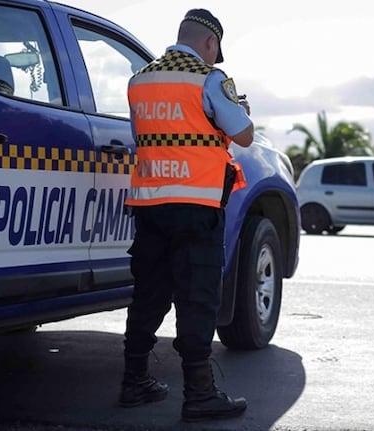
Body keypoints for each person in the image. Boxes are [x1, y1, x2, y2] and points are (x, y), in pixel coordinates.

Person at [120, 8, 254, 422]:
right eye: (215, 51)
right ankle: (199, 393)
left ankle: (134, 381)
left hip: (150, 204)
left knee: (149, 293)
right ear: (210, 43)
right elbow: (244, 135)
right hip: (196, 207)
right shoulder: (209, 79)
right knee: (197, 296)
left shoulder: (138, 80)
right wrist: (239, 107)